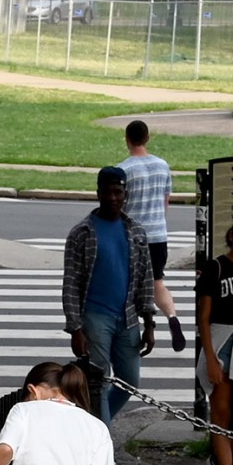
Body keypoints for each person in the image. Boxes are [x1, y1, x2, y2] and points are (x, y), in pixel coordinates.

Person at [62, 169, 158, 425]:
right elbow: (71, 283)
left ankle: (98, 428)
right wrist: (75, 328)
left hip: (127, 318)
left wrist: (149, 324)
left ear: (126, 194)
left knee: (129, 382)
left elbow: (146, 279)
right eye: (107, 192)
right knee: (100, 384)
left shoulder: (135, 231)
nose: (113, 198)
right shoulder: (81, 233)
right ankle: (103, 448)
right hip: (95, 318)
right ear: (98, 193)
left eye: (118, 192)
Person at [194, 215, 233, 465]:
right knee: (221, 410)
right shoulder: (216, 267)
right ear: (232, 235)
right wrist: (211, 358)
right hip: (221, 343)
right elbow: (203, 317)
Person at [119, 121, 189, 349]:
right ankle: (172, 317)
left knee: (130, 285)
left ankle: (140, 327)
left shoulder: (124, 170)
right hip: (159, 235)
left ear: (127, 139)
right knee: (157, 282)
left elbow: (120, 206)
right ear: (147, 138)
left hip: (133, 236)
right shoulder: (162, 165)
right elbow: (165, 201)